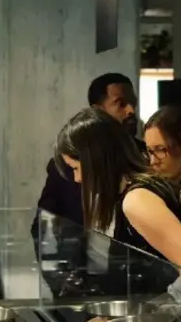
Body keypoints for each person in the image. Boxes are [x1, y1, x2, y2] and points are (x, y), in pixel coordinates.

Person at [56, 108, 181, 294]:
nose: (77, 178)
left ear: (96, 160)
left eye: (76, 168)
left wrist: (154, 311)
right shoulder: (134, 192)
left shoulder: (137, 200)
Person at [32, 73, 139, 233]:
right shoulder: (64, 165)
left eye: (133, 103)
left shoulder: (146, 157)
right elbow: (43, 224)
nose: (131, 110)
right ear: (97, 111)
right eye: (121, 104)